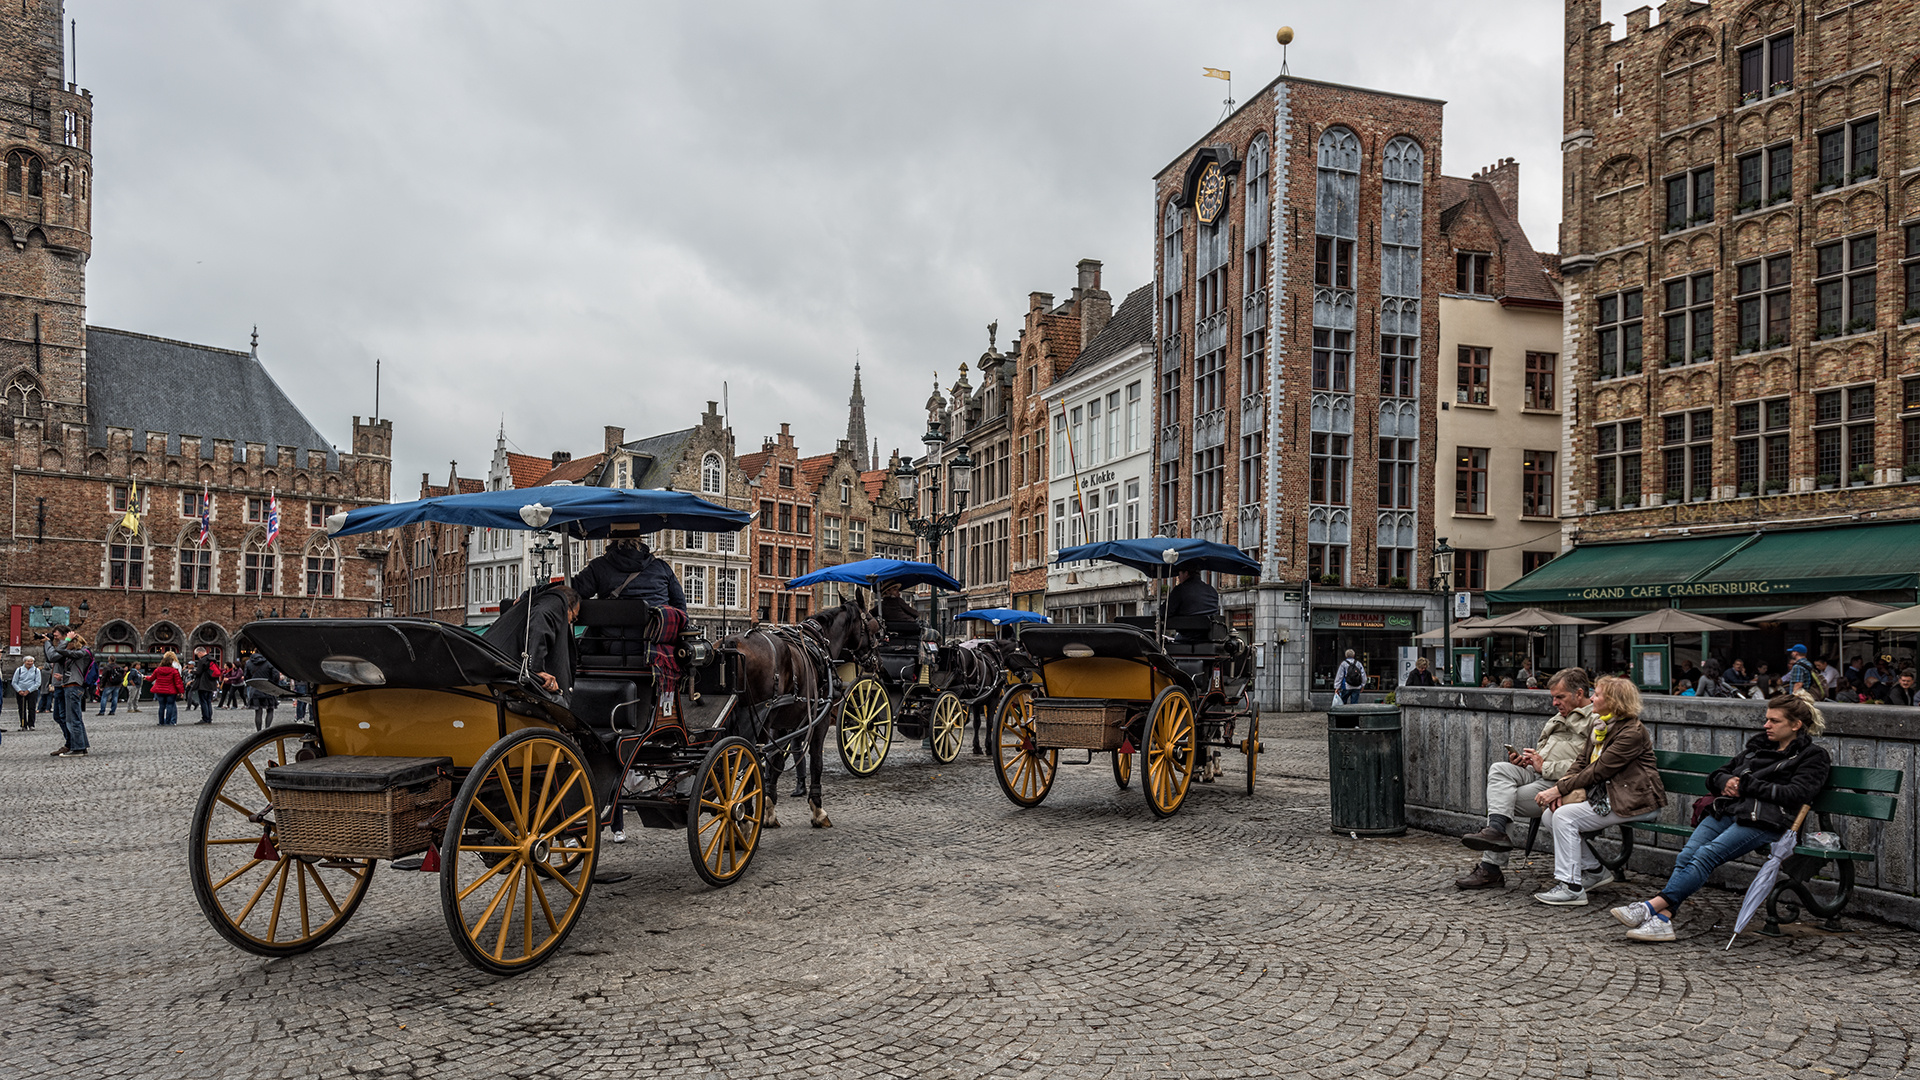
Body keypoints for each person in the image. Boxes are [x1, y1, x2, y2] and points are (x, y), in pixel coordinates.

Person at [1610, 694, 1832, 942]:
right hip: (1730, 810)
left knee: (1706, 855)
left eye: (1774, 721)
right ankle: (1663, 919)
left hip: (1767, 821)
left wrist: (1746, 784)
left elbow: (1797, 795)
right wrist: (1726, 781)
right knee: (1687, 855)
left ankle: (1649, 907)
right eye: (1766, 719)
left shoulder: (1812, 756)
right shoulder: (1758, 748)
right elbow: (1717, 775)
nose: (1765, 725)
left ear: (1795, 725)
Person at [1456, 668, 1598, 891]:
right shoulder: (1558, 717)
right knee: (1500, 769)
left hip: (1563, 785)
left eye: (1559, 697)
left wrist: (1546, 766)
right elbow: (1548, 752)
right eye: (1553, 697)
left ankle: (1490, 868)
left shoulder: (1596, 720)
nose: (1554, 703)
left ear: (1579, 694)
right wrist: (1528, 761)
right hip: (1539, 774)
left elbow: (1591, 765)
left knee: (1505, 801)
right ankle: (1496, 830)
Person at [1531, 676, 1666, 906]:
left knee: (1563, 816)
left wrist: (1557, 790)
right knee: (1550, 815)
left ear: (1614, 700)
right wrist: (1560, 789)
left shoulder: (1631, 732)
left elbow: (1598, 771)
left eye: (1598, 694)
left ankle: (1571, 886)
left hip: (1635, 801)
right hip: (1609, 797)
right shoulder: (1600, 725)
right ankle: (1594, 870)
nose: (1592, 697)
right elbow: (1582, 762)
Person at [484, 583, 581, 697]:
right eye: (573, 618)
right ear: (568, 606)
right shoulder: (557, 600)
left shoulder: (527, 606)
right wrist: (535, 670)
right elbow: (541, 615)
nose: (569, 623)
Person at [45, 630, 92, 757]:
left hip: (73, 688)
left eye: (69, 643)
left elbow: (58, 652)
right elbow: (74, 671)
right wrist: (63, 677)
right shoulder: (78, 654)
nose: (66, 645)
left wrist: (65, 641)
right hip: (70, 685)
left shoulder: (82, 652)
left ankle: (78, 748)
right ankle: (82, 746)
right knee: (74, 718)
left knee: (73, 719)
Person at [244, 650, 286, 731]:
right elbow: (276, 675)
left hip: (255, 689)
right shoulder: (270, 661)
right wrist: (273, 684)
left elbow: (246, 676)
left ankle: (259, 731)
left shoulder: (249, 663)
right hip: (268, 688)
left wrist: (253, 683)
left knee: (258, 712)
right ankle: (267, 730)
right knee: (270, 710)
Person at [147, 652, 185, 726]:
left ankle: (161, 722)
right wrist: (181, 692)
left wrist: (145, 677)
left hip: (160, 690)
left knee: (161, 706)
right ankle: (168, 721)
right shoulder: (174, 671)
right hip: (171, 690)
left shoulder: (157, 670)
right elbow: (178, 682)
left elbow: (151, 678)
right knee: (170, 706)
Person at [187, 647, 221, 723]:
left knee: (203, 701)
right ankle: (209, 718)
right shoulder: (212, 659)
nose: (197, 656)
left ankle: (205, 718)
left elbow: (199, 672)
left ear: (200, 652)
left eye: (197, 655)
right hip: (211, 683)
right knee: (209, 701)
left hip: (203, 684)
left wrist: (192, 672)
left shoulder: (202, 660)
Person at [11, 656, 40, 730]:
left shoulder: (36, 670)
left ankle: (31, 724)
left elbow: (38, 683)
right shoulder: (19, 670)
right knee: (21, 708)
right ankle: (23, 724)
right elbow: (14, 682)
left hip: (32, 691)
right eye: (28, 661)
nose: (30, 663)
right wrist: (19, 690)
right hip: (21, 691)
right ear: (24, 662)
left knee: (31, 708)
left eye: (31, 661)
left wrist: (28, 690)